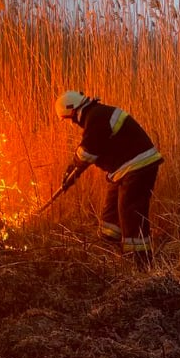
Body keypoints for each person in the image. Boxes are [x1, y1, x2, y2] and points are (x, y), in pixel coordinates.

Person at [54, 91, 163, 265]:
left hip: (138, 167)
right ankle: (109, 253)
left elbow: (87, 153)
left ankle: (141, 263)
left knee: (131, 213)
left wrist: (71, 174)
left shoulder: (97, 117)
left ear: (74, 111)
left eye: (70, 119)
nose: (73, 123)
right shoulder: (97, 114)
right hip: (124, 170)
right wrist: (70, 172)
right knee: (110, 215)